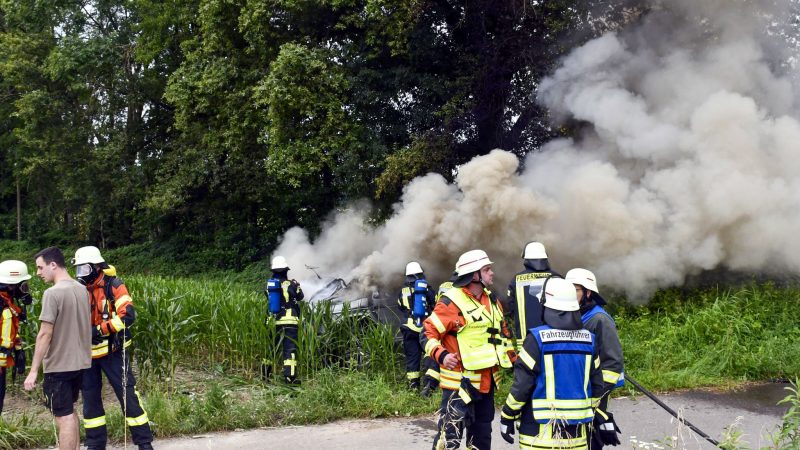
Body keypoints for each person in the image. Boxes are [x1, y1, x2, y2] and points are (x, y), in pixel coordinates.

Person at [422, 250, 515, 450]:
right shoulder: (451, 301)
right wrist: (442, 355)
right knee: (449, 438)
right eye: (487, 269)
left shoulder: (492, 301)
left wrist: (516, 362)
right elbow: (427, 333)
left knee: (481, 439)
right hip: (458, 384)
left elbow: (503, 335)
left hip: (486, 384)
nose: (492, 273)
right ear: (474, 275)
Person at [499, 277, 604, 450]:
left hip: (539, 435)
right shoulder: (589, 340)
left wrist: (507, 415)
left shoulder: (536, 339)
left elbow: (522, 386)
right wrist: (595, 416)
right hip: (578, 435)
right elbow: (597, 385)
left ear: (547, 306)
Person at [73, 246, 154, 450]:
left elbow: (128, 315)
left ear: (95, 267)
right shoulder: (79, 289)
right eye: (78, 270)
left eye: (83, 269)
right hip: (87, 355)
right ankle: (95, 445)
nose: (80, 275)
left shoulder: (113, 285)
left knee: (128, 396)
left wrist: (100, 329)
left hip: (113, 352)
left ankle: (144, 443)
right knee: (90, 402)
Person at [24, 247, 92, 450]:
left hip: (59, 365)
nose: (38, 273)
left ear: (53, 264)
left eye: (40, 267)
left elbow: (45, 333)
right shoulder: (82, 289)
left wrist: (34, 370)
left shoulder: (52, 294)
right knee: (70, 413)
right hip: (80, 363)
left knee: (64, 418)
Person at [566, 268, 624, 448]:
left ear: (588, 292)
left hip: (593, 395)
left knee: (591, 440)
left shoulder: (599, 320)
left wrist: (595, 395)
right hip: (572, 393)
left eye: (574, 289)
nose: (568, 293)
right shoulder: (569, 316)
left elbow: (613, 364)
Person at [396, 261, 438, 395]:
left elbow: (400, 306)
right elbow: (436, 304)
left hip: (408, 328)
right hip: (424, 327)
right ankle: (428, 385)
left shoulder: (402, 291)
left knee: (412, 357)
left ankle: (413, 387)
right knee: (429, 354)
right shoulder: (426, 288)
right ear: (420, 273)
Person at [506, 242, 560, 345]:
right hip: (554, 341)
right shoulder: (557, 277)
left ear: (526, 260)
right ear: (545, 259)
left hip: (526, 342)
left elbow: (510, 308)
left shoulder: (516, 280)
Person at [265, 255, 304, 384]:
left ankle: (265, 375)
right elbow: (300, 297)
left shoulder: (269, 286)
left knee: (271, 348)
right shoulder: (292, 284)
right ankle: (290, 378)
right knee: (290, 350)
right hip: (290, 321)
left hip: (273, 321)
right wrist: (297, 285)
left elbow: (269, 299)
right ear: (285, 270)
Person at [0, 260, 32, 414]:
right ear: (11, 285)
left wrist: (18, 351)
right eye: (23, 286)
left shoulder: (8, 303)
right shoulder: (2, 304)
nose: (25, 290)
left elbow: (10, 332)